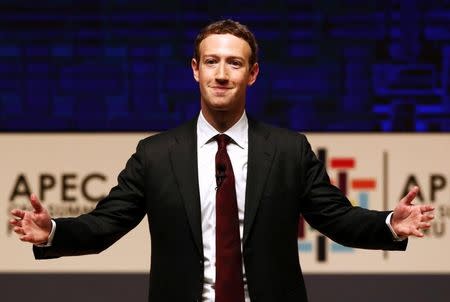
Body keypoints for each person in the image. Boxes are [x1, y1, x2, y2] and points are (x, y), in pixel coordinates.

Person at [10, 19, 435, 302]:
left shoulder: (289, 150)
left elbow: (336, 218)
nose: (221, 73)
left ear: (252, 74)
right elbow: (105, 224)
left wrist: (388, 225)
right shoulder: (156, 154)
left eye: (235, 63)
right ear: (195, 69)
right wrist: (54, 232)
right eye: (211, 62)